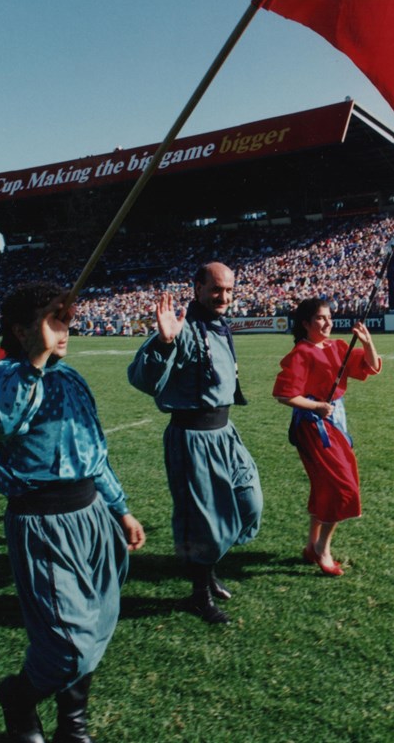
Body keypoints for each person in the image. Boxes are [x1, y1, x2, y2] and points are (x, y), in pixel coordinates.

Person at [0, 282, 145, 743]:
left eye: (67, 318)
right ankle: (18, 696)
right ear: (21, 329)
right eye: (55, 319)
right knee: (68, 643)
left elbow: (96, 452)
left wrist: (121, 509)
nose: (66, 328)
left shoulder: (71, 377)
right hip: (42, 522)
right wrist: (34, 359)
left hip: (93, 514)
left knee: (95, 626)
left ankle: (72, 725)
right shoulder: (2, 376)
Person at [128, 262, 263, 624]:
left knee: (249, 501)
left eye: (230, 290)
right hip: (193, 438)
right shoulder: (181, 326)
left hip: (225, 434)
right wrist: (164, 340)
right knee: (203, 522)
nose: (224, 297)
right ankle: (199, 593)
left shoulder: (220, 326)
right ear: (198, 288)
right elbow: (142, 378)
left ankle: (208, 566)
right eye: (216, 289)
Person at [273, 297, 381, 576]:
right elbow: (285, 395)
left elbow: (369, 367)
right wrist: (317, 407)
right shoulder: (302, 352)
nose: (327, 322)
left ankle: (311, 546)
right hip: (312, 426)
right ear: (306, 323)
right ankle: (323, 548)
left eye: (329, 317)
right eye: (320, 318)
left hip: (334, 421)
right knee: (341, 486)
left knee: (325, 484)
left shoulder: (337, 347)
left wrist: (367, 342)